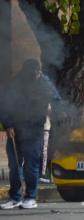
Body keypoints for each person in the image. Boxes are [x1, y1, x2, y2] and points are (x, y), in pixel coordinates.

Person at [0, 59, 62, 209]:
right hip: (15, 129)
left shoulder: (44, 83)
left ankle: (30, 197)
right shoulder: (16, 83)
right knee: (14, 165)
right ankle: (15, 197)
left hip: (34, 130)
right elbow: (5, 105)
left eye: (38, 73)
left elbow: (57, 100)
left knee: (31, 166)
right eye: (33, 74)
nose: (36, 75)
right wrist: (8, 125)